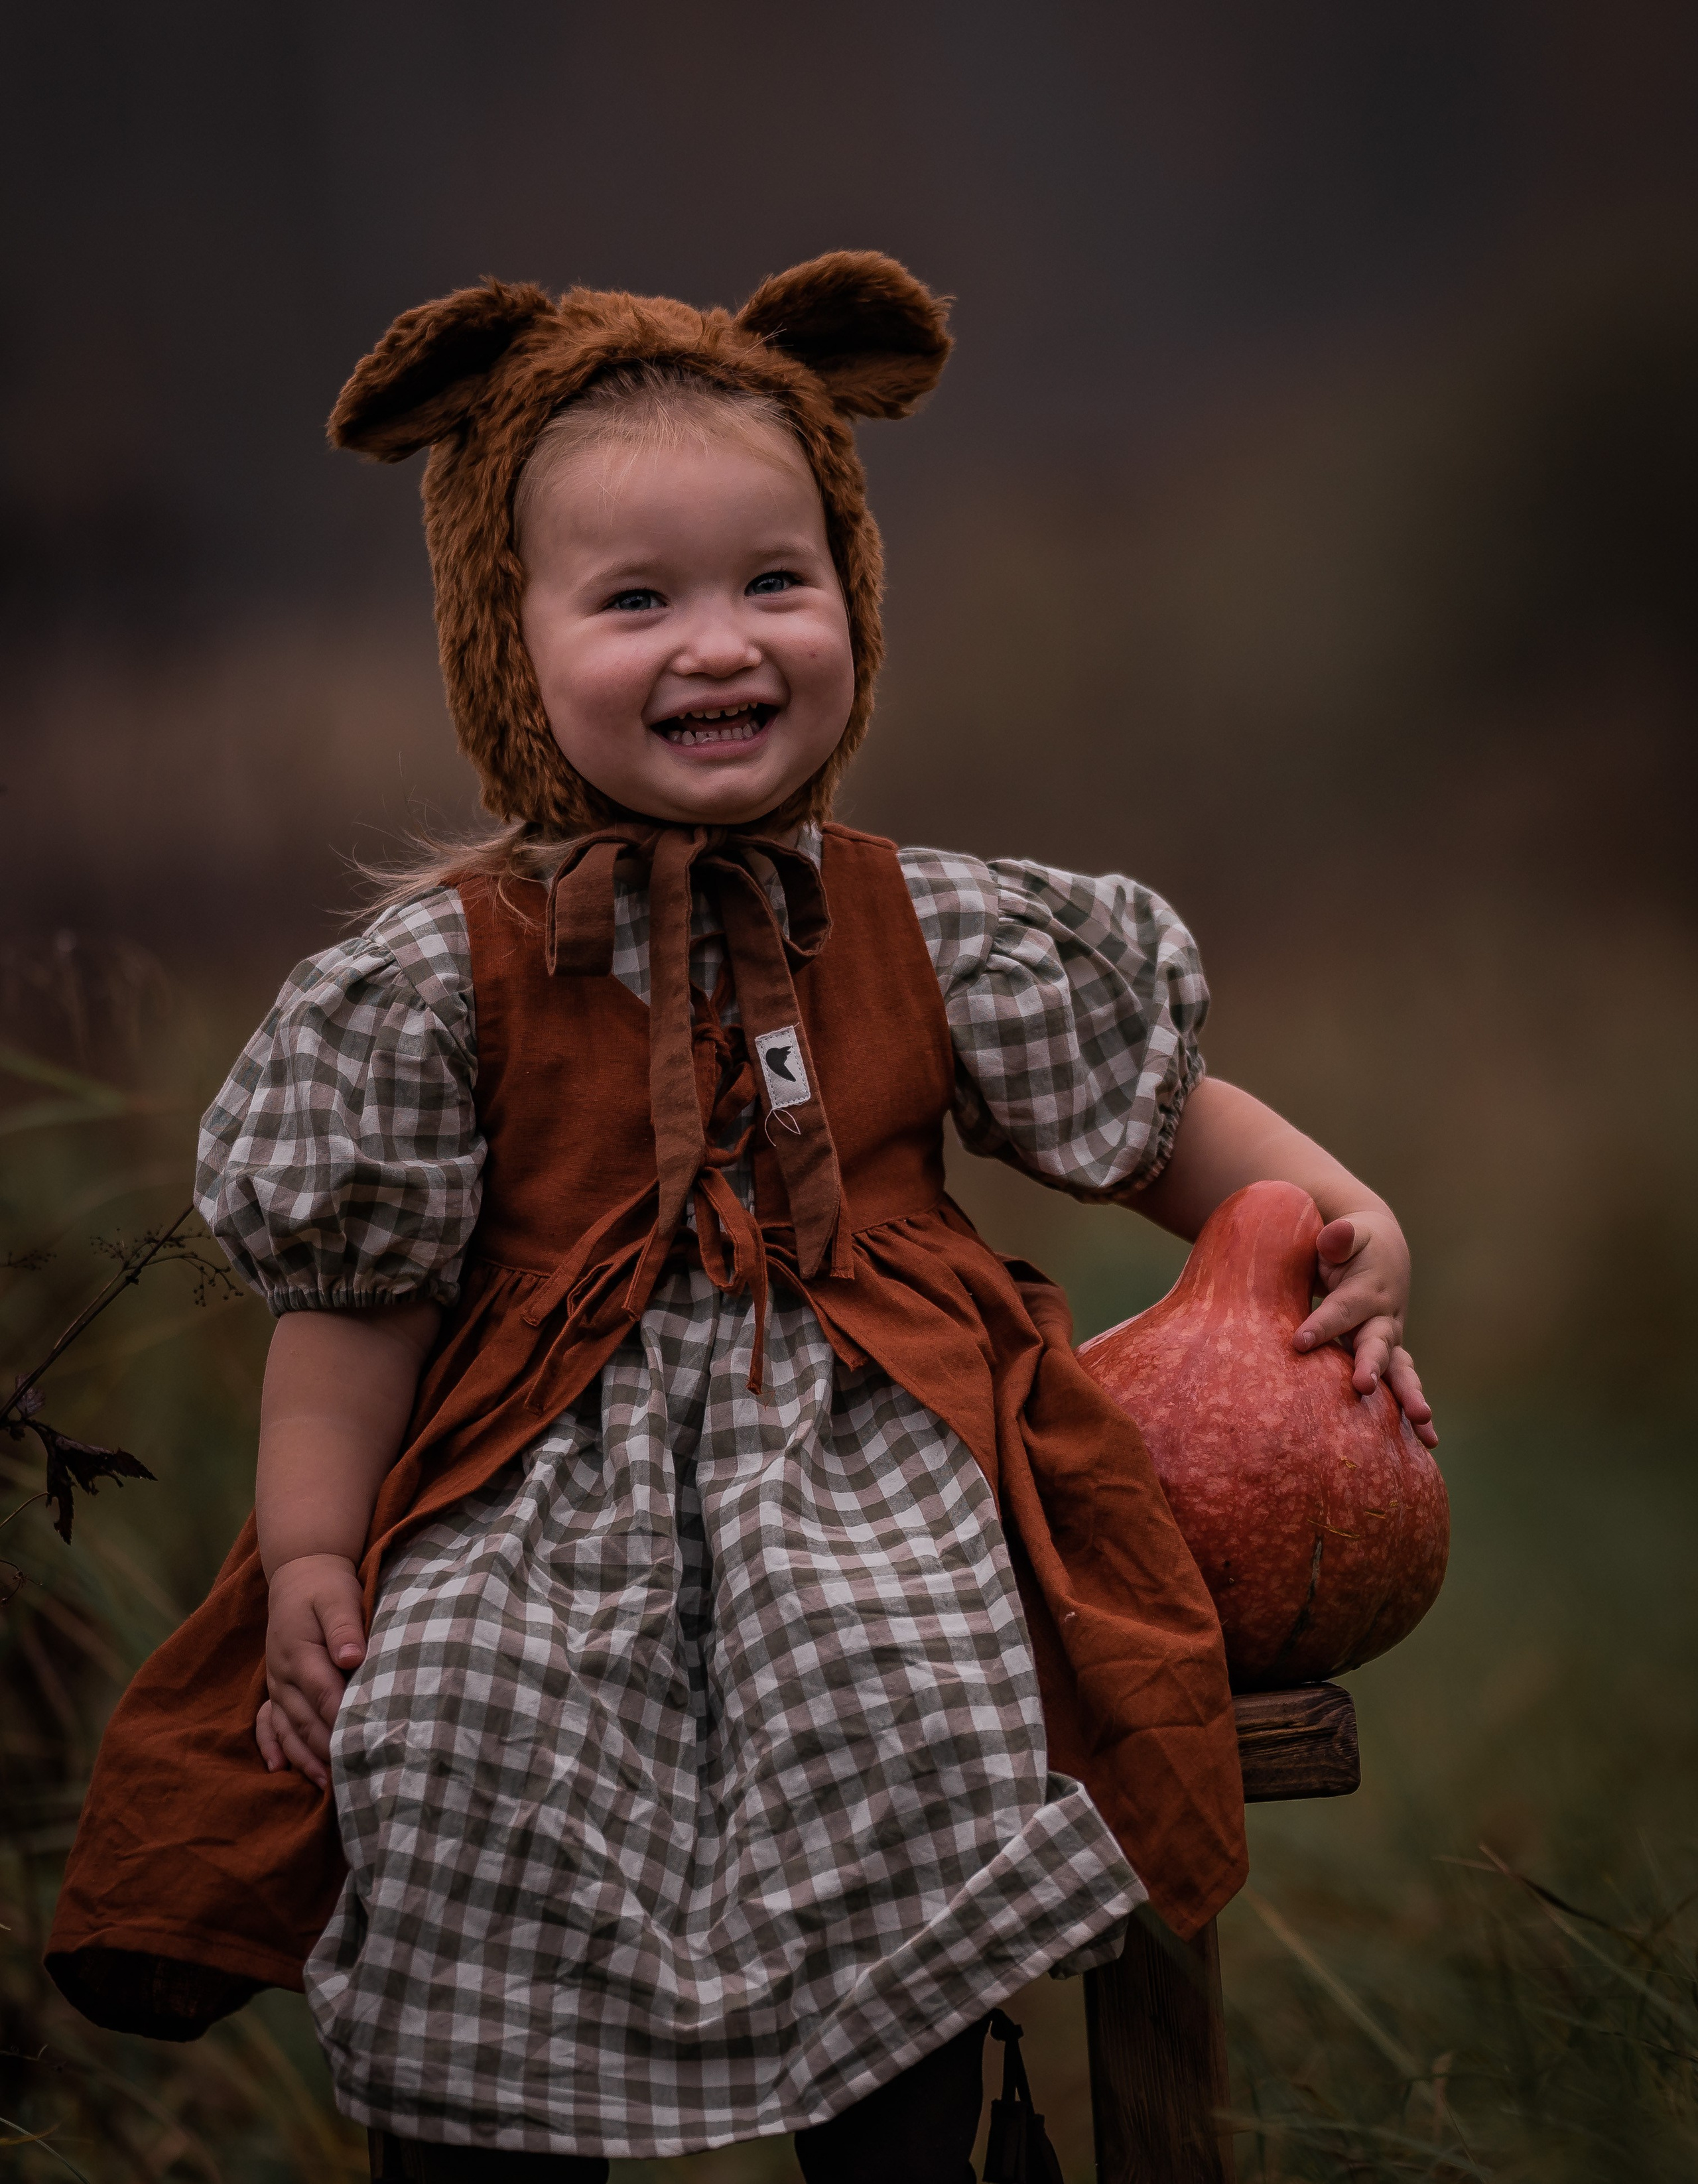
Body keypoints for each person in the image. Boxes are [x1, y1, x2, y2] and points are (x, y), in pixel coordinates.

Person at [48, 254, 1434, 2183]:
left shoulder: (918, 923)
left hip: (870, 1462)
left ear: (852, 599)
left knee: (912, 1694)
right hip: (542, 1494)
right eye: (637, 601)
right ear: (503, 642)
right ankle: (493, 2126)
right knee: (449, 1729)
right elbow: (353, 1311)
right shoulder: (441, 981)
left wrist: (1334, 1207)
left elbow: (1156, 1123)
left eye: (776, 582)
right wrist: (302, 1557)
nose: (722, 644)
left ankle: (905, 2119)